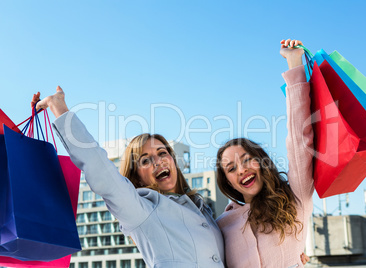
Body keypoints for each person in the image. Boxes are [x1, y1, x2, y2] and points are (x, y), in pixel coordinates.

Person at [32, 92, 225, 267]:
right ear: (137, 178)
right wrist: (59, 108)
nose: (158, 162)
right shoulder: (143, 210)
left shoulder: (202, 208)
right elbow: (100, 168)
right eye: (146, 160)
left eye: (162, 153)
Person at [216, 39, 314, 268]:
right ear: (227, 181)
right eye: (231, 168)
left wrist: (294, 63)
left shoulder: (295, 199)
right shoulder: (221, 225)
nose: (241, 170)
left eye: (247, 159)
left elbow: (300, 141)